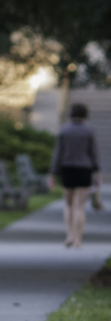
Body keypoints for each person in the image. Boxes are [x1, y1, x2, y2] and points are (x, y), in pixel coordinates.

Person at [48, 103, 101, 248]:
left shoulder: (64, 130)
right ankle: (78, 239)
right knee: (80, 206)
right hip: (84, 169)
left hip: (68, 169)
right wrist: (97, 172)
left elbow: (58, 153)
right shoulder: (89, 131)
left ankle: (69, 236)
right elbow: (94, 154)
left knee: (69, 204)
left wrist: (52, 173)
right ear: (85, 114)